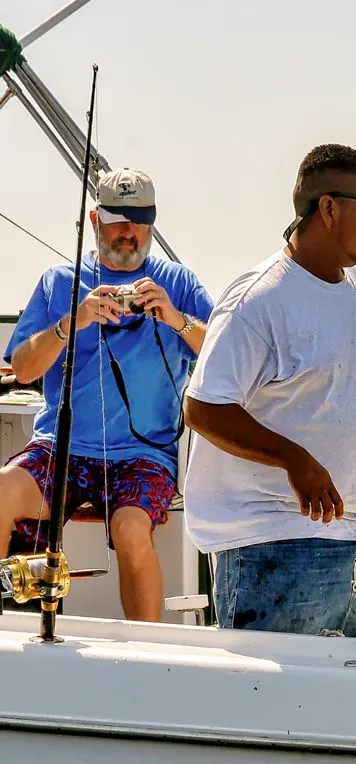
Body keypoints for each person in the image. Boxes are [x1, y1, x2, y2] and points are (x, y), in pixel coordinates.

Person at [183, 143, 356, 638]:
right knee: (276, 712)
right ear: (328, 208)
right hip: (277, 542)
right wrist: (294, 459)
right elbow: (203, 408)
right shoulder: (257, 300)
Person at [0, 167, 214, 621]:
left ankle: (148, 655)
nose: (129, 232)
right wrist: (71, 321)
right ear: (95, 220)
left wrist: (174, 318)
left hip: (144, 454)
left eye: (139, 220)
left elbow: (224, 351)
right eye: (118, 220)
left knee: (132, 530)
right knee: (2, 492)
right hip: (62, 446)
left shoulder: (178, 282)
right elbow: (21, 368)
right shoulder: (60, 282)